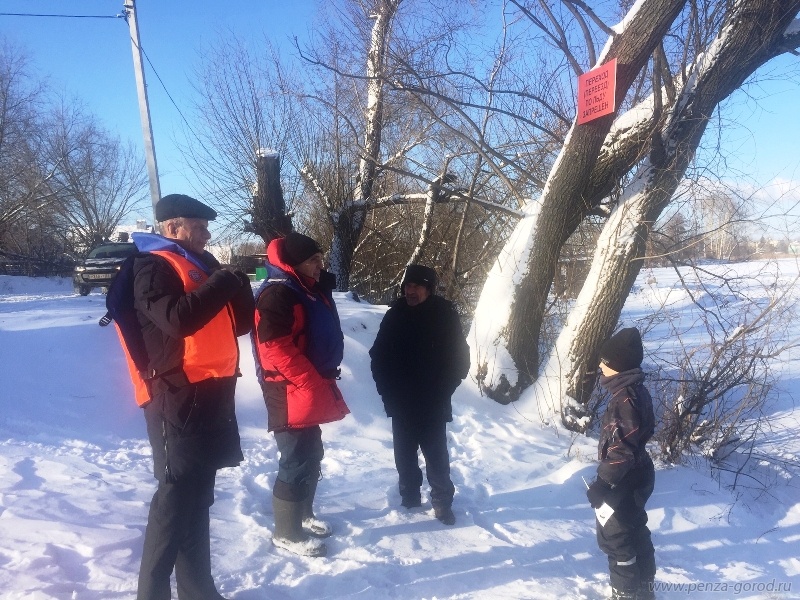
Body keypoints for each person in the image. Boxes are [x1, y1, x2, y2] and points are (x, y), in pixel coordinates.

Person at [108, 193, 254, 600]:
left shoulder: (199, 265)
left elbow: (235, 325)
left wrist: (236, 286)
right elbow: (177, 320)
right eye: (200, 226)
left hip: (212, 393)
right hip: (175, 397)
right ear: (173, 228)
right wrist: (223, 281)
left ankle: (198, 590)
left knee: (198, 497)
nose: (208, 234)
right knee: (174, 501)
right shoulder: (151, 267)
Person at [251, 232, 350, 557]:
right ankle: (286, 533)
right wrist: (308, 381)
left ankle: (304, 515)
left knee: (312, 453)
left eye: (321, 259)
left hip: (308, 384)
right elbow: (274, 348)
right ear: (294, 264)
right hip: (287, 388)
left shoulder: (304, 289)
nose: (320, 266)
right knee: (294, 458)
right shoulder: (278, 294)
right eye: (313, 260)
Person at [369, 264, 470, 525]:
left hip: (433, 402)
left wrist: (443, 390)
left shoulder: (445, 315)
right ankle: (410, 497)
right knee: (404, 455)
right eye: (407, 285)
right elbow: (377, 356)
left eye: (416, 286)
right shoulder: (395, 315)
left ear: (429, 288)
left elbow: (460, 359)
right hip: (400, 402)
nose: (409, 291)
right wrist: (386, 393)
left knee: (436, 456)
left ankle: (442, 503)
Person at [586, 327, 657, 600]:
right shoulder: (635, 391)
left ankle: (626, 593)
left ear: (618, 366)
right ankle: (644, 588)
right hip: (638, 473)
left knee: (616, 537)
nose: (601, 365)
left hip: (624, 478)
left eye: (605, 361)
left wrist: (602, 484)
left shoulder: (625, 399)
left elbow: (621, 450)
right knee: (635, 527)